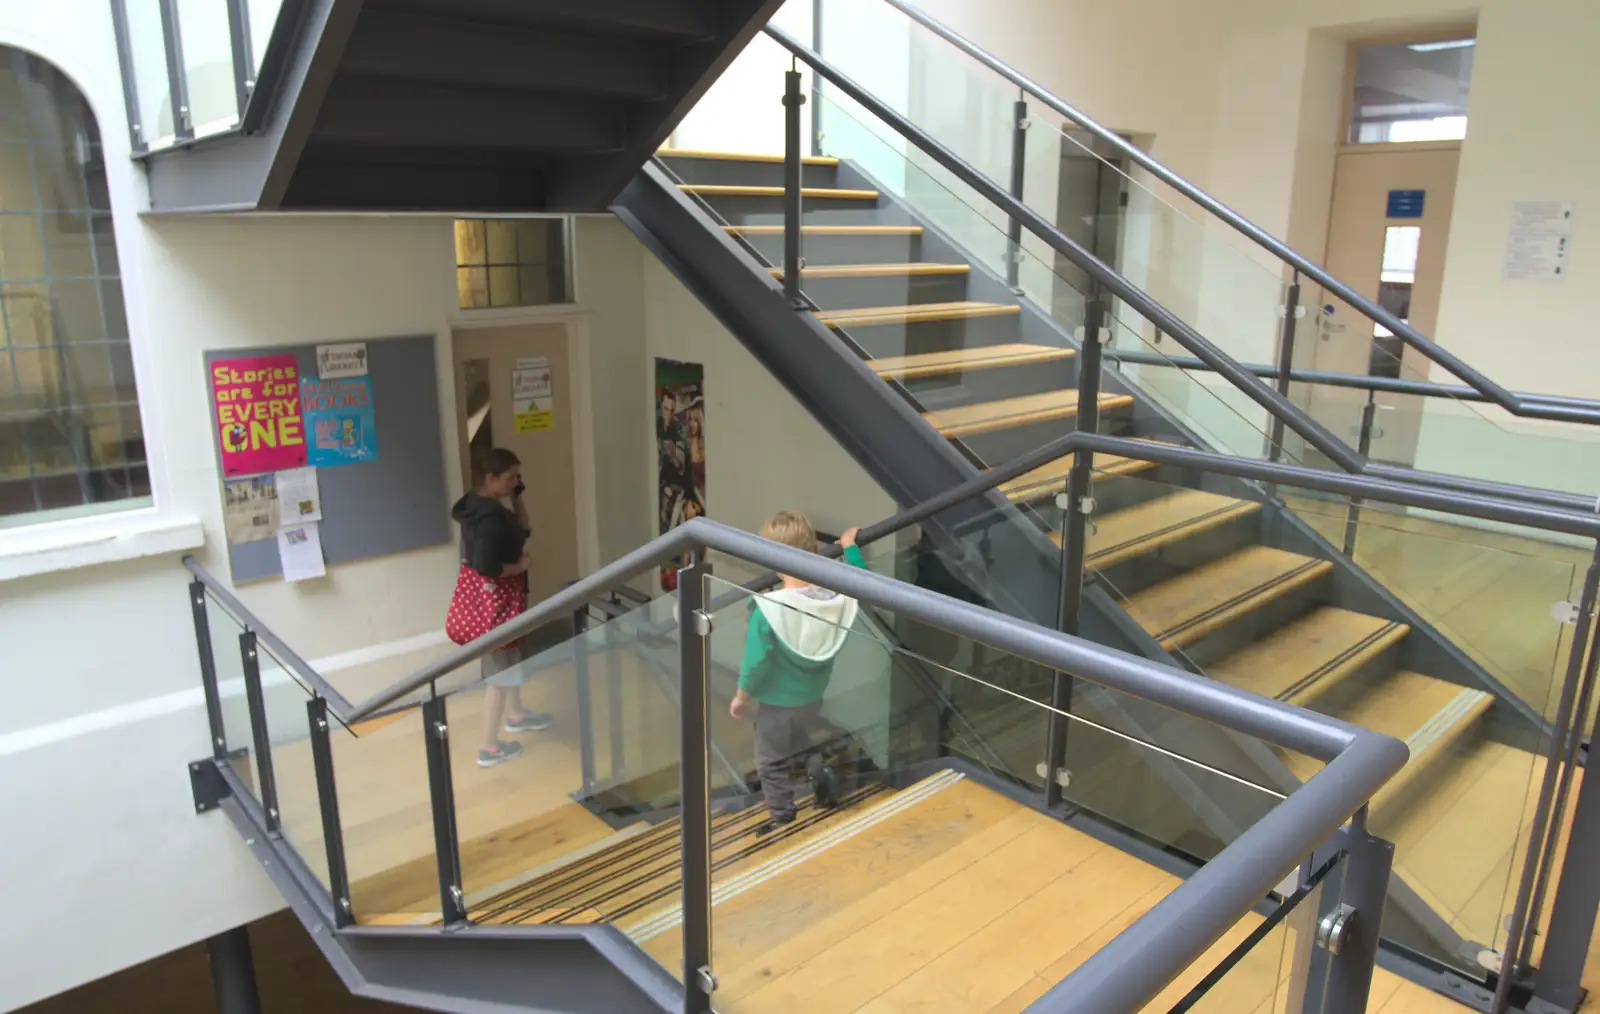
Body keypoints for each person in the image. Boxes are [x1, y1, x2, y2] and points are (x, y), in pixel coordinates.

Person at [729, 512, 866, 833]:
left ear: (771, 557)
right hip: (813, 694)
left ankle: (781, 817)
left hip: (776, 703)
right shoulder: (834, 596)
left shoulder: (768, 609)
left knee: (770, 761)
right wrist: (849, 547)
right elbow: (862, 580)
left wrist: (740, 696)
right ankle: (821, 774)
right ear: (815, 548)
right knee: (799, 741)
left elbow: (755, 662)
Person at [450, 447, 554, 768]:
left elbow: (523, 529)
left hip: (497, 602)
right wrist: (521, 566)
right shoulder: (491, 519)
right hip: (497, 605)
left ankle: (517, 714)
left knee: (510, 655)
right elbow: (486, 567)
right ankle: (489, 747)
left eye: (518, 476)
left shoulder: (478, 504)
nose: (516, 482)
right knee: (499, 673)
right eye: (511, 478)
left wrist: (517, 498)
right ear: (491, 478)